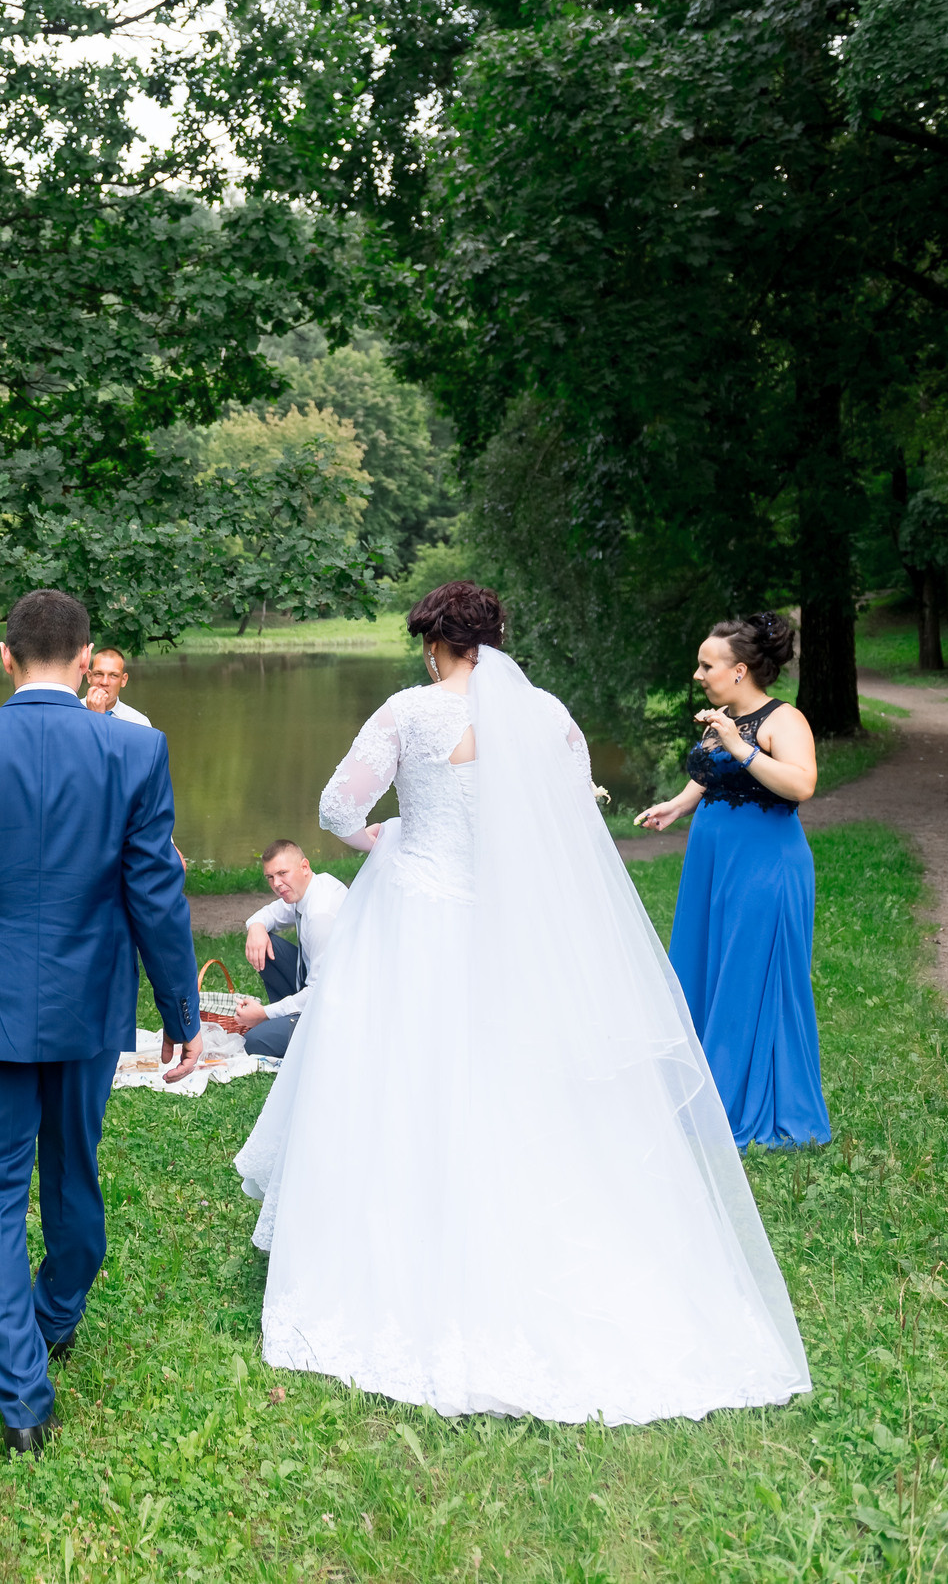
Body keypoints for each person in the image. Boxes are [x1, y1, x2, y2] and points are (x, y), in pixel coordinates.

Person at [232, 580, 810, 1424]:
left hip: (421, 913)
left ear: (434, 644)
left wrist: (394, 835)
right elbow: (570, 819)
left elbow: (335, 808)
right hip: (509, 925)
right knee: (518, 1081)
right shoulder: (547, 716)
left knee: (410, 1078)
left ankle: (405, 1249)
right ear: (494, 641)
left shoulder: (409, 711)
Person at [0, 588, 201, 1454]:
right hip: (88, 1004)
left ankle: (23, 1400)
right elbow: (157, 892)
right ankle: (55, 1315)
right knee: (73, 1168)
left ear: (4, 655)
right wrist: (180, 1009)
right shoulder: (135, 751)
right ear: (83, 659)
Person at [635, 614, 831, 1148]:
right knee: (709, 964)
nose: (698, 674)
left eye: (707, 665)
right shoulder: (725, 717)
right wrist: (676, 805)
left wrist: (741, 746)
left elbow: (801, 784)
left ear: (740, 669)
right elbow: (711, 776)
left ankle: (743, 1101)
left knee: (749, 974)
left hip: (765, 865)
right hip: (714, 862)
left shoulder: (782, 719)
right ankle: (704, 1090)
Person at [209, 840, 348, 1059]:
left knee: (255, 1041)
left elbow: (318, 992)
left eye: (283, 873)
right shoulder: (308, 887)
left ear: (304, 866)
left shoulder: (321, 914)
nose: (277, 884)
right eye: (270, 877)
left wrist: (264, 1014)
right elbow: (270, 914)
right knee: (266, 943)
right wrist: (255, 927)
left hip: (336, 1008)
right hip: (316, 987)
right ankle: (284, 1020)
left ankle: (292, 1026)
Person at [82, 648, 151, 726]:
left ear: (123, 680)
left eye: (113, 675)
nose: (104, 682)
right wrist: (94, 717)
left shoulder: (138, 722)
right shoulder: (71, 713)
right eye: (98, 674)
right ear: (89, 676)